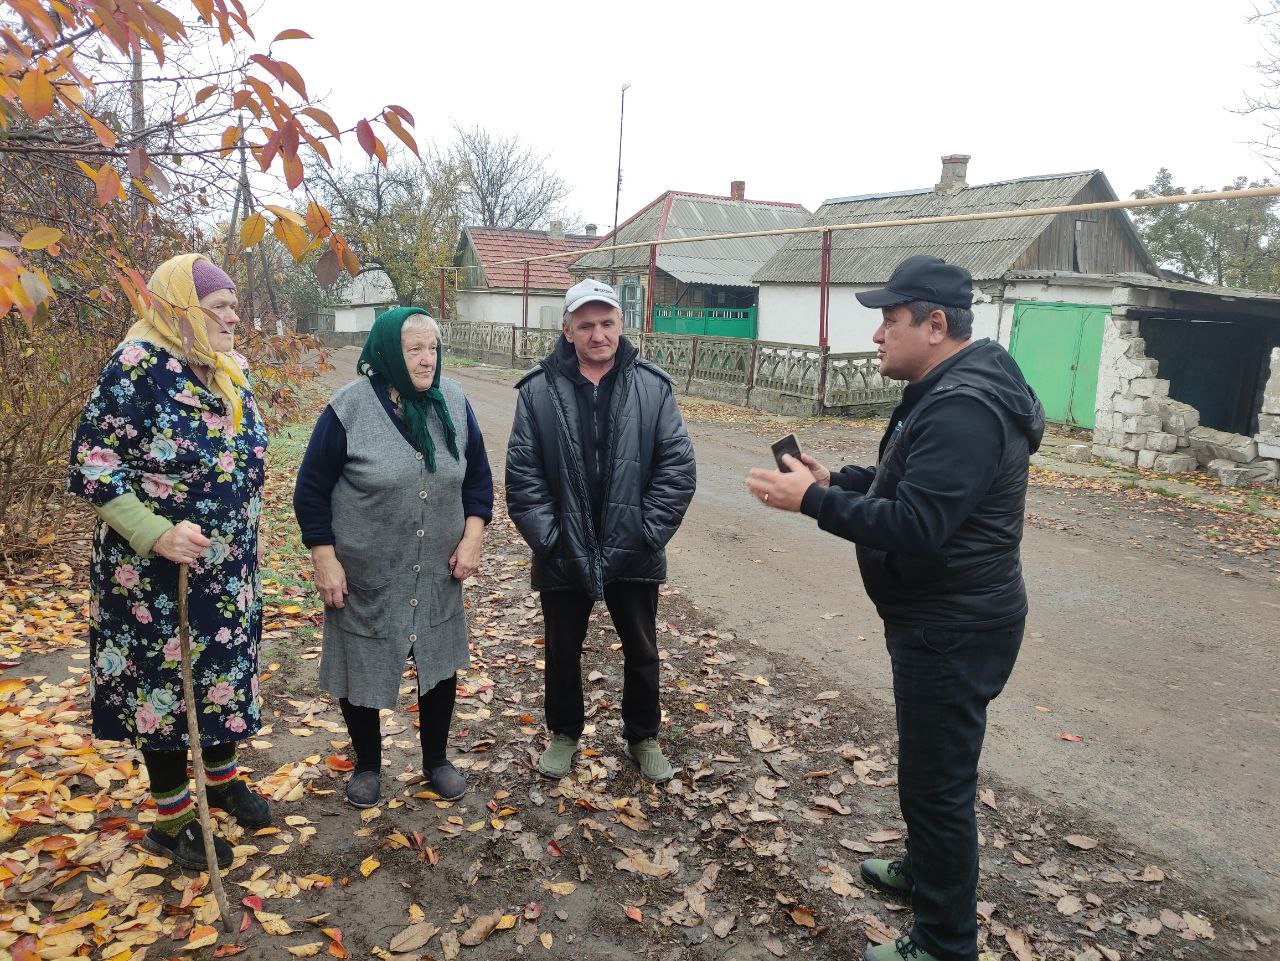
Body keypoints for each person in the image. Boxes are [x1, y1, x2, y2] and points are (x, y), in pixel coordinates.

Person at [746, 255, 1045, 961]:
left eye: (890, 318)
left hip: (953, 626)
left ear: (935, 325)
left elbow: (917, 524)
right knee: (928, 772)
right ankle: (927, 872)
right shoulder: (947, 388)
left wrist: (814, 502)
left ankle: (944, 942)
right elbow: (906, 486)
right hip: (942, 617)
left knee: (938, 787)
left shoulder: (966, 407)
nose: (878, 334)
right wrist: (836, 478)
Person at [69, 253, 272, 871]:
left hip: (228, 565)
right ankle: (173, 817)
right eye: (220, 307)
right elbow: (92, 461)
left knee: (219, 677)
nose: (235, 317)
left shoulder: (228, 368)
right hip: (156, 575)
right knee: (164, 690)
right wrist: (154, 533)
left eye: (236, 304)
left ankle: (220, 779)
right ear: (181, 309)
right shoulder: (137, 365)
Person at [294, 307, 493, 808]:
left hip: (436, 570)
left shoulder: (454, 401)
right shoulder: (350, 408)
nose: (427, 360)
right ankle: (367, 766)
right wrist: (325, 557)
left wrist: (472, 537)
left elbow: (478, 480)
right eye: (414, 350)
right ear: (388, 353)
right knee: (362, 661)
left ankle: (436, 761)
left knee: (438, 661)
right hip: (365, 571)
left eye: (433, 348)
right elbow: (311, 490)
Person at [505, 278, 696, 784]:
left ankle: (643, 735)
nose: (598, 334)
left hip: (633, 549)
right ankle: (564, 733)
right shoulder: (538, 391)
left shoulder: (652, 387)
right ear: (567, 330)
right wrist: (552, 541)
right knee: (562, 650)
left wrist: (645, 534)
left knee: (642, 646)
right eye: (585, 325)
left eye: (607, 323)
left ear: (621, 325)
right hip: (563, 549)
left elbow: (676, 469)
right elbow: (523, 478)